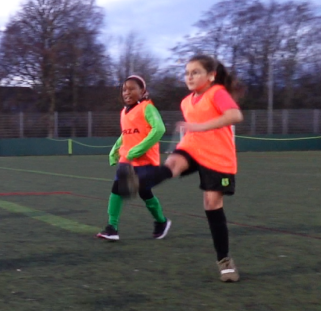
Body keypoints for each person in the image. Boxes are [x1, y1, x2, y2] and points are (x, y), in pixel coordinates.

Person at [118, 55, 244, 282]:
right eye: (187, 73)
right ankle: (140, 182)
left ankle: (224, 260)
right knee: (172, 164)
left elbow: (235, 115)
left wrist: (198, 126)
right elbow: (193, 128)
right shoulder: (186, 102)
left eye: (195, 72)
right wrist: (189, 134)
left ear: (211, 76)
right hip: (193, 148)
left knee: (212, 204)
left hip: (218, 156)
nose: (189, 77)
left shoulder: (217, 93)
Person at [98, 75, 170, 241]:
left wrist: (137, 150)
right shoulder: (124, 112)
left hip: (146, 162)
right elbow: (126, 135)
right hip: (127, 160)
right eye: (124, 89)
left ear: (142, 91)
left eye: (132, 89)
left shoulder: (148, 108)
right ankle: (112, 228)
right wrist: (115, 149)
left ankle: (161, 221)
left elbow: (159, 130)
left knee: (142, 192)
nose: (127, 92)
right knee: (118, 190)